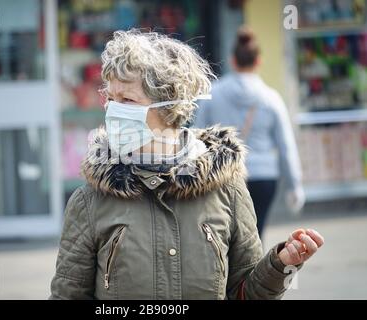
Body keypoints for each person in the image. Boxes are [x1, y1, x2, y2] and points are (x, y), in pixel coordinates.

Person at [49, 29, 324, 300]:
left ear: (168, 106)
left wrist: (280, 265)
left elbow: (244, 293)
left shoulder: (228, 190)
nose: (113, 110)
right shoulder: (89, 200)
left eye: (127, 100)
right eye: (111, 98)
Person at [195, 26, 305, 238]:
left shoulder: (213, 94)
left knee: (227, 235)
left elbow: (196, 137)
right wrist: (295, 185)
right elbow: (286, 146)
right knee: (256, 233)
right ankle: (255, 270)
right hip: (264, 177)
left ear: (233, 60)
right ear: (258, 61)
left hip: (225, 176)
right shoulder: (271, 98)